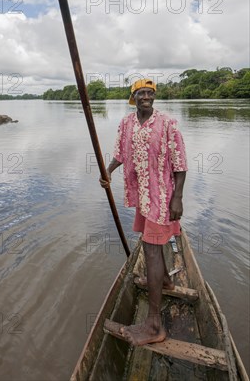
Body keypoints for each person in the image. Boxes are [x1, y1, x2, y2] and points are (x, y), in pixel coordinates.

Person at [100, 78, 188, 345]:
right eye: (141, 93)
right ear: (133, 97)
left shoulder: (167, 123)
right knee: (155, 245)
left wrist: (177, 198)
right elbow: (121, 153)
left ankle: (153, 327)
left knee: (151, 249)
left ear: (154, 97)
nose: (146, 96)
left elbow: (180, 163)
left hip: (162, 197)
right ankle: (165, 284)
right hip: (142, 195)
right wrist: (108, 171)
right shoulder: (126, 123)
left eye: (150, 93)